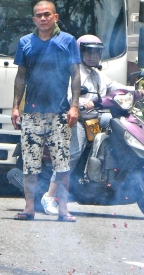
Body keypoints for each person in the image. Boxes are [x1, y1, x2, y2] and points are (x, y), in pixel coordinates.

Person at [10, 0, 80, 221]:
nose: (43, 18)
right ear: (34, 19)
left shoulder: (67, 41)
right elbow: (21, 76)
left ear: (55, 17)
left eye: (47, 14)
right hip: (32, 114)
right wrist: (15, 106)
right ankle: (29, 207)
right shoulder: (25, 43)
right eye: (39, 15)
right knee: (30, 164)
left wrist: (74, 106)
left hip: (59, 114)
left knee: (62, 164)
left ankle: (63, 209)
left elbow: (75, 74)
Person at [38, 34, 122, 215]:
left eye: (96, 53)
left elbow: (114, 86)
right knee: (72, 154)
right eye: (88, 52)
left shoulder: (97, 74)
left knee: (117, 124)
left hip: (95, 118)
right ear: (79, 52)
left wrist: (135, 91)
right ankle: (49, 196)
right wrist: (82, 102)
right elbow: (69, 95)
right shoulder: (75, 72)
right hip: (77, 120)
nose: (93, 56)